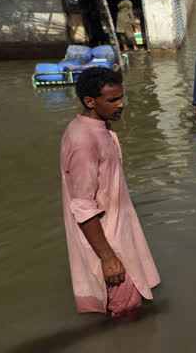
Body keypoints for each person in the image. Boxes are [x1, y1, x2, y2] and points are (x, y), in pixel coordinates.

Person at [60, 67, 160, 319]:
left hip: (119, 235)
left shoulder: (99, 127)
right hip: (110, 245)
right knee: (127, 316)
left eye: (121, 97)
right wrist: (108, 258)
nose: (122, 104)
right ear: (90, 102)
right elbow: (82, 205)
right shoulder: (83, 141)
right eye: (113, 100)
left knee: (132, 312)